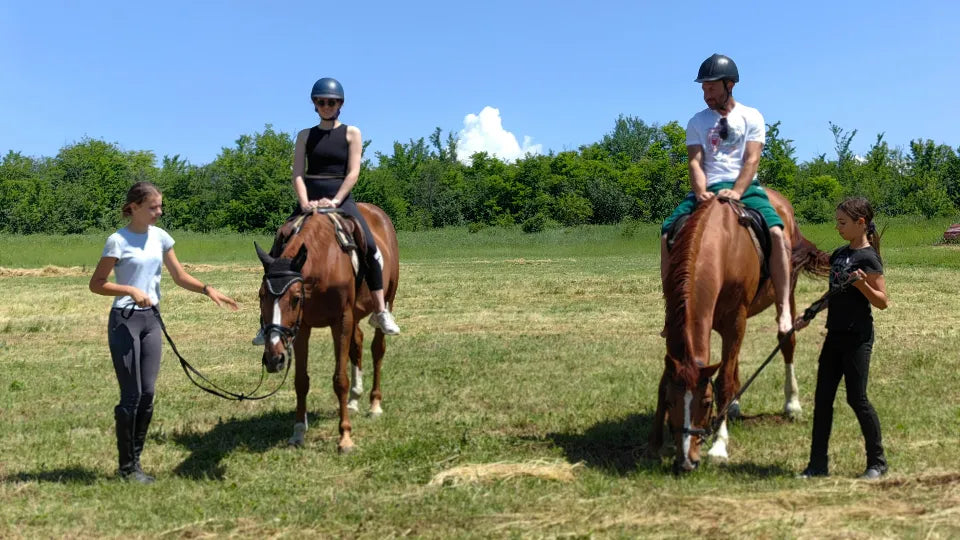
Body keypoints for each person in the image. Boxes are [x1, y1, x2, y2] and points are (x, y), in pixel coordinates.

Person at [89, 182, 238, 483]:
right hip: (125, 321)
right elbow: (97, 283)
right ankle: (126, 468)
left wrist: (208, 290)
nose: (159, 211)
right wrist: (130, 289)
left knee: (148, 394)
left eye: (160, 206)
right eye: (153, 207)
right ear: (134, 208)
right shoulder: (117, 241)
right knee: (131, 395)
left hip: (151, 321)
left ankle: (136, 465)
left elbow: (179, 276)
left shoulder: (160, 237)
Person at [252, 77, 399, 345]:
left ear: (340, 104)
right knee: (279, 245)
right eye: (321, 102)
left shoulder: (352, 133)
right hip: (309, 198)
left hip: (341, 198)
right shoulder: (305, 136)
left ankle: (380, 309)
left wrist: (336, 200)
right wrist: (305, 201)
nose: (326, 106)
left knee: (370, 246)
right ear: (314, 105)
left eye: (331, 102)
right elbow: (297, 173)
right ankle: (266, 324)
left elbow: (353, 172)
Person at [660, 53, 794, 335]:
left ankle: (783, 308)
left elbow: (752, 160)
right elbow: (695, 162)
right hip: (708, 189)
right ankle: (671, 310)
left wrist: (737, 191)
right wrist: (700, 191)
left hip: (745, 188)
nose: (706, 93)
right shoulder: (697, 121)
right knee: (666, 232)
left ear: (729, 85)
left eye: (711, 87)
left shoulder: (752, 116)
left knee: (777, 234)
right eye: (703, 88)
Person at [796, 197, 889, 480]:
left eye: (843, 222)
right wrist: (810, 313)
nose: (838, 227)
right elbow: (834, 292)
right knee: (822, 399)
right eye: (837, 222)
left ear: (861, 224)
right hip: (834, 335)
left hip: (857, 338)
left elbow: (882, 302)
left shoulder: (869, 257)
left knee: (856, 399)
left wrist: (861, 284)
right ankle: (817, 466)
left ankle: (877, 462)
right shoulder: (839, 254)